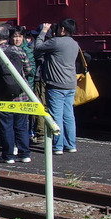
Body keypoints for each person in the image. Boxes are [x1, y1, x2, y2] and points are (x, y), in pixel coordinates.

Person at [34, 18, 82, 154]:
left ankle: (58, 146)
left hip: (56, 85)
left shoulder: (56, 42)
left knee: (56, 116)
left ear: (62, 29)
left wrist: (43, 32)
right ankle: (71, 144)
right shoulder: (74, 44)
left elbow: (37, 47)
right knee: (69, 116)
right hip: (70, 84)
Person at [0, 26, 32, 164]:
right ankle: (24, 153)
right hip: (21, 95)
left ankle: (8, 155)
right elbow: (28, 69)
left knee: (6, 126)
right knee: (21, 126)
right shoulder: (19, 50)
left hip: (3, 96)